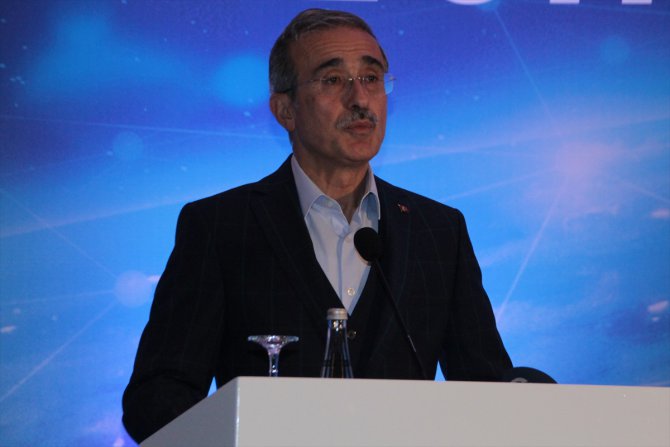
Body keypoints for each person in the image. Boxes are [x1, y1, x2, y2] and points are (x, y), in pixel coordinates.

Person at [122, 8, 512, 443]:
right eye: (332, 80)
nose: (360, 98)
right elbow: (157, 397)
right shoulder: (221, 227)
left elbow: (489, 390)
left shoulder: (438, 230)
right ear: (285, 109)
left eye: (371, 78)